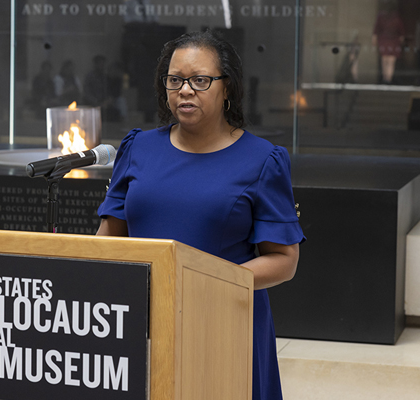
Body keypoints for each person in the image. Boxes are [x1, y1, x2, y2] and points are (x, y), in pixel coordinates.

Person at [96, 30, 305, 400]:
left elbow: (284, 260)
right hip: (144, 316)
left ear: (228, 88)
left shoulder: (261, 160)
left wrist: (200, 282)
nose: (185, 90)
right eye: (174, 80)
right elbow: (108, 239)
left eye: (200, 80)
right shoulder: (138, 147)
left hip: (223, 319)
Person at [372, 2, 405, 84]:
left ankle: (385, 79)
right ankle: (388, 79)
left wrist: (375, 40)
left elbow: (376, 29)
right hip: (393, 41)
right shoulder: (396, 17)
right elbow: (402, 31)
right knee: (391, 62)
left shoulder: (381, 16)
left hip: (384, 41)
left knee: (385, 61)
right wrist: (400, 41)